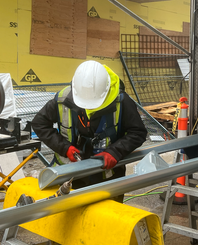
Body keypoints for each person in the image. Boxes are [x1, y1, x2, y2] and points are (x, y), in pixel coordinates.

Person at [31, 60, 147, 202]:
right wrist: (64, 148)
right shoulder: (63, 98)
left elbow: (138, 132)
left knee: (106, 220)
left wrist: (115, 151)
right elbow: (39, 123)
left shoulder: (121, 101)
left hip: (107, 178)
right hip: (69, 175)